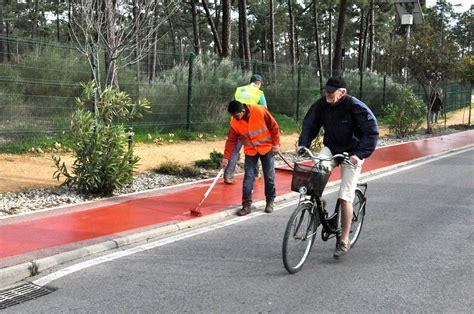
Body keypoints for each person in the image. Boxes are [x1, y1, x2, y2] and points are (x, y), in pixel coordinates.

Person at [297, 76, 379, 259]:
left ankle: (344, 239)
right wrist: (303, 144)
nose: (328, 93)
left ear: (342, 93)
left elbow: (372, 131)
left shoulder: (354, 106)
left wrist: (359, 155)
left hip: (353, 153)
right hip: (332, 148)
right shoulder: (322, 104)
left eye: (332, 91)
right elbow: (310, 124)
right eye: (326, 90)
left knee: (345, 196)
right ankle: (317, 201)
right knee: (318, 169)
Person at [221, 100, 280, 216]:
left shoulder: (259, 110)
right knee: (248, 177)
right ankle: (246, 205)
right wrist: (226, 158)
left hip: (267, 149)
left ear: (242, 111)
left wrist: (276, 145)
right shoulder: (234, 122)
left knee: (269, 176)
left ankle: (270, 201)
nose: (235, 118)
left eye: (236, 115)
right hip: (251, 151)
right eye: (233, 116)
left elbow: (274, 127)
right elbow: (231, 141)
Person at [224, 74, 268, 184]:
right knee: (254, 149)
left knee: (234, 150)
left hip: (237, 125)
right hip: (252, 126)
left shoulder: (239, 90)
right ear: (258, 83)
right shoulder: (259, 93)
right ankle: (255, 174)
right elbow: (264, 110)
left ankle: (228, 175)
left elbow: (232, 105)